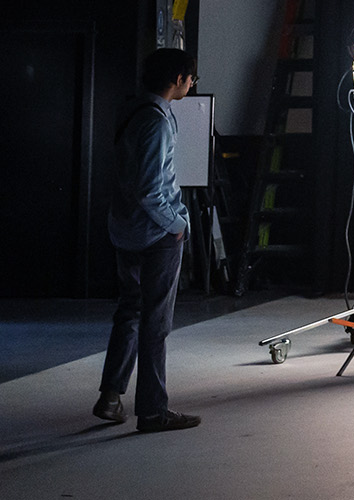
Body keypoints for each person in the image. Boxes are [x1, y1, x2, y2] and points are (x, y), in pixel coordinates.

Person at [94, 48, 202, 432]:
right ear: (177, 79)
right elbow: (150, 190)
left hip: (124, 229)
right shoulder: (156, 121)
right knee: (155, 323)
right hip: (155, 233)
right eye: (192, 78)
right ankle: (153, 411)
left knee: (130, 312)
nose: (192, 84)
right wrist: (176, 223)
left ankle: (111, 397)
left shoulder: (132, 110)